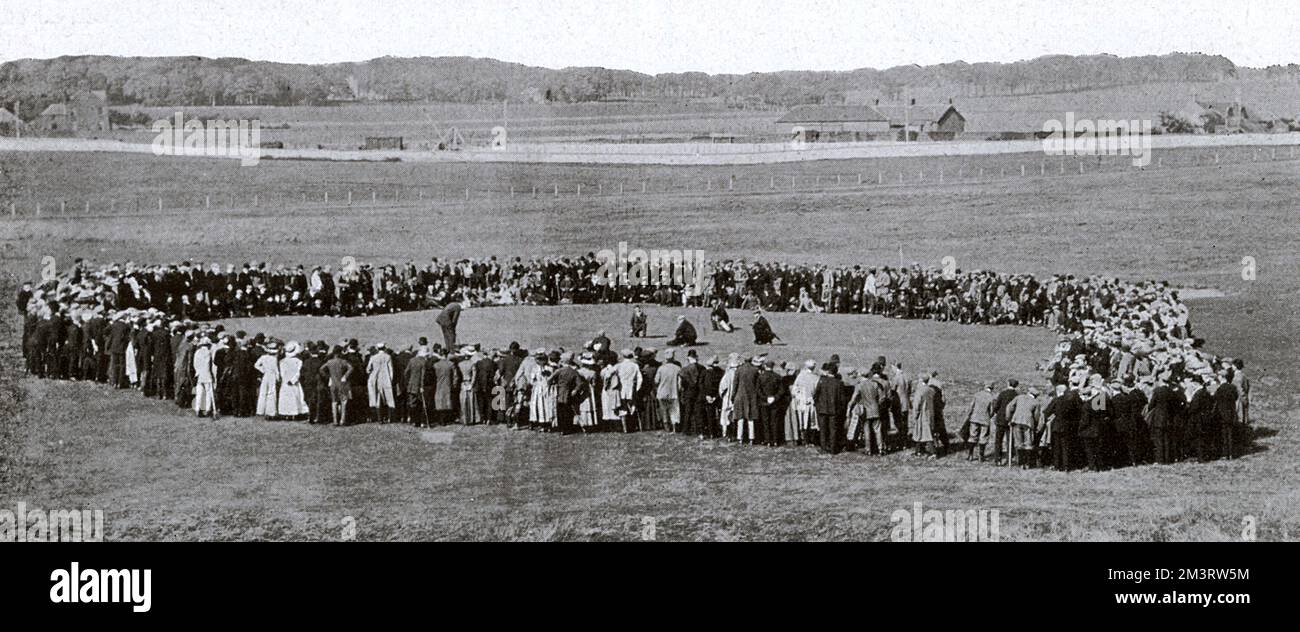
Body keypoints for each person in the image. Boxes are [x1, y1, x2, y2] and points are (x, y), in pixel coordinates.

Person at [1006, 386, 1043, 468]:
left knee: (1018, 443)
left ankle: (1020, 462)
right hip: (1028, 423)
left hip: (1016, 421)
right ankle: (1027, 463)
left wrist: (1008, 418)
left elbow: (1009, 407)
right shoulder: (1036, 402)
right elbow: (1036, 416)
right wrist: (1036, 425)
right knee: (1028, 443)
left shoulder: (1019, 397)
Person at [813, 363, 845, 454]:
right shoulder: (839, 383)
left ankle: (823, 447)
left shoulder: (822, 381)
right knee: (833, 429)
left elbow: (816, 395)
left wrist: (818, 405)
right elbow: (842, 399)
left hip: (822, 409)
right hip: (834, 410)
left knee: (823, 429)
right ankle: (833, 448)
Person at [731, 355, 762, 443]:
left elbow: (735, 384)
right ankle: (751, 437)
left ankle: (739, 437)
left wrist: (733, 397)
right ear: (751, 360)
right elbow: (757, 385)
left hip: (740, 396)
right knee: (750, 418)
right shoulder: (755, 370)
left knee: (740, 418)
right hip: (751, 397)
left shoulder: (739, 370)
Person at [963, 382, 997, 461]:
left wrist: (970, 415)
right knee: (983, 437)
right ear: (992, 388)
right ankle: (981, 456)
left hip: (974, 418)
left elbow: (971, 406)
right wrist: (989, 416)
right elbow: (992, 411)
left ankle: (970, 455)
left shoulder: (977, 394)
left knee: (972, 436)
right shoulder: (992, 397)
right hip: (985, 419)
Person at [319, 347, 352, 426]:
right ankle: (342, 420)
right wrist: (345, 376)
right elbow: (350, 368)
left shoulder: (329, 362)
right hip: (342, 383)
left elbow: (321, 369)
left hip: (333, 383)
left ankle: (335, 420)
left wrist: (328, 377)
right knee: (343, 402)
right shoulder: (343, 361)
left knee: (334, 402)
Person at [278, 341, 310, 421]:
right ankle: (294, 413)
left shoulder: (282, 362)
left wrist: (286, 380)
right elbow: (298, 373)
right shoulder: (298, 361)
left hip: (285, 382)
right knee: (296, 397)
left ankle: (286, 414)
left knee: (286, 398)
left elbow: (282, 374)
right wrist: (293, 380)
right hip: (294, 382)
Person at [367, 343, 396, 423]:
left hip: (375, 379)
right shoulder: (388, 357)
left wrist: (372, 373)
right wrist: (391, 379)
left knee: (377, 398)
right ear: (384, 348)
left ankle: (379, 419)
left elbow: (368, 369)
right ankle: (389, 418)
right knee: (389, 398)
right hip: (386, 378)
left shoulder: (373, 357)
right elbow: (391, 370)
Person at [654, 350, 682, 433]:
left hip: (662, 392)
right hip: (673, 392)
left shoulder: (661, 368)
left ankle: (667, 428)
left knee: (664, 410)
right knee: (674, 411)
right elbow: (679, 383)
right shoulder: (677, 368)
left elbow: (656, 381)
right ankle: (674, 428)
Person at [191, 336, 217, 418]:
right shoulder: (209, 353)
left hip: (199, 375)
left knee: (199, 393)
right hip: (207, 375)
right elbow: (210, 365)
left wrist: (197, 372)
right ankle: (208, 409)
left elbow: (195, 364)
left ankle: (197, 409)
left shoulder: (197, 352)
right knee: (209, 393)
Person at [254, 342, 280, 419]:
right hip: (272, 376)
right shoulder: (274, 359)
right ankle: (270, 411)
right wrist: (278, 378)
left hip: (265, 376)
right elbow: (276, 370)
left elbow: (256, 365)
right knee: (271, 392)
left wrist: (263, 370)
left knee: (263, 392)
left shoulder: (263, 357)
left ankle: (260, 410)